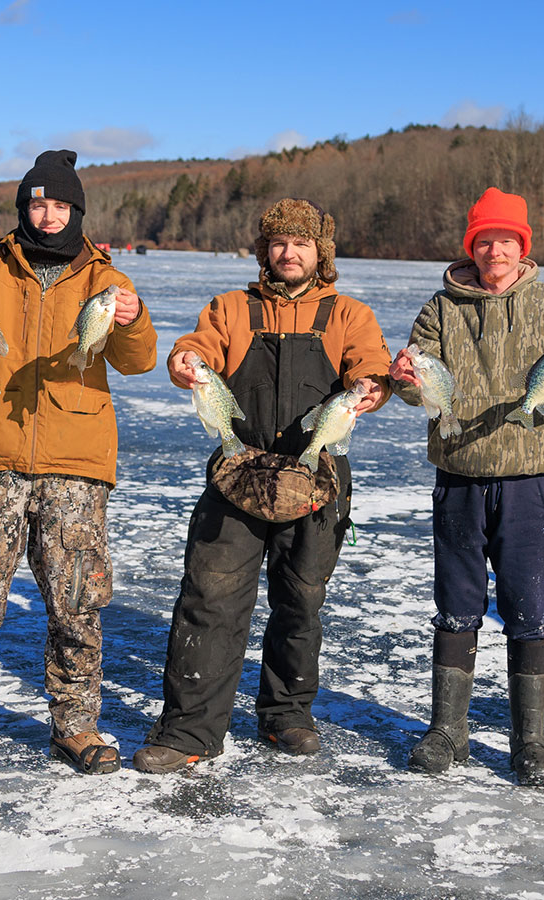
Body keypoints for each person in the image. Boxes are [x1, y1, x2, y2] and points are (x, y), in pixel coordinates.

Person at [0, 150, 157, 782]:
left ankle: (76, 725)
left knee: (77, 602)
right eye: (37, 204)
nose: (48, 217)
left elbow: (138, 359)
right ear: (23, 209)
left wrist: (131, 320)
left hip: (76, 461)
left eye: (60, 205)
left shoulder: (108, 279)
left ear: (77, 211)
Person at [134, 198, 391, 774]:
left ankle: (286, 714)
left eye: (301, 243)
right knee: (210, 597)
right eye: (278, 243)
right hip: (239, 470)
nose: (288, 252)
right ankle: (190, 731)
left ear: (319, 252)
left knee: (300, 600)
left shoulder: (348, 313)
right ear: (264, 251)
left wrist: (371, 386)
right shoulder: (232, 307)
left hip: (317, 475)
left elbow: (368, 363)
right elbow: (200, 346)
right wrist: (185, 360)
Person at [387, 187, 544, 786]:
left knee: (526, 606)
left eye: (505, 241)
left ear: (521, 247)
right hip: (458, 472)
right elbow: (417, 393)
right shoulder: (439, 309)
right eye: (484, 241)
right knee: (457, 603)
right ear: (472, 247)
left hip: (529, 478)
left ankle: (530, 739)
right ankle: (447, 731)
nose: (495, 251)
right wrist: (406, 378)